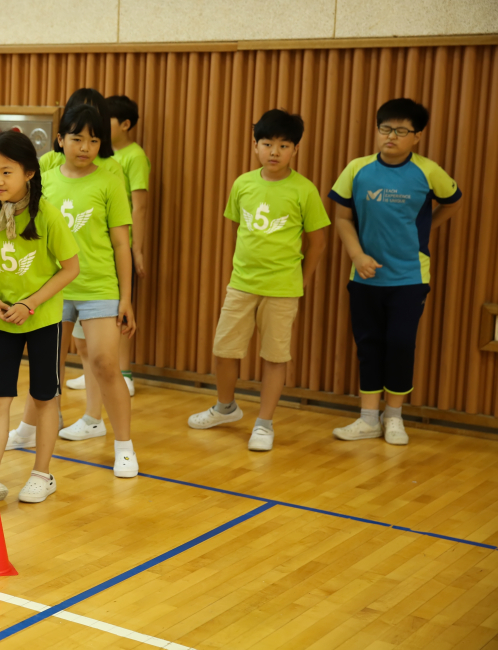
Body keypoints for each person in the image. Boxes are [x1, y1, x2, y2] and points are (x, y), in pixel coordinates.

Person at [187, 109, 330, 451]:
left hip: (282, 288)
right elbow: (238, 229)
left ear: (295, 149)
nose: (274, 151)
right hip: (242, 284)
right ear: (255, 146)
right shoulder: (243, 184)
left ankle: (264, 424)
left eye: (283, 145)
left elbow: (318, 242)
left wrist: (302, 281)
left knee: (275, 356)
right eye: (267, 143)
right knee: (224, 350)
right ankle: (225, 407)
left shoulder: (304, 190)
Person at [328, 98, 463, 445]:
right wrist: (357, 255)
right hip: (365, 277)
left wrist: (425, 229)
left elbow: (453, 201)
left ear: (417, 136)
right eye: (385, 128)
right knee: (369, 345)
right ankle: (368, 418)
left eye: (401, 131)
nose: (391, 136)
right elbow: (342, 218)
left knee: (401, 344)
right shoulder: (357, 169)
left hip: (409, 277)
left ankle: (394, 418)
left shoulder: (428, 171)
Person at [0, 130, 79, 506]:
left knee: (45, 397)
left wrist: (31, 303)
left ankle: (42, 474)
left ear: (28, 173)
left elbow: (69, 269)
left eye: (6, 172)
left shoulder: (48, 216)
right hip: (1, 319)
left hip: (41, 320)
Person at [39, 104, 139, 476]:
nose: (85, 146)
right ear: (61, 139)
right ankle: (31, 429)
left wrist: (126, 298)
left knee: (104, 362)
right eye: (77, 138)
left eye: (94, 140)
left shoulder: (110, 182)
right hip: (53, 287)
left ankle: (125, 447)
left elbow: (121, 245)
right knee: (47, 367)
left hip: (99, 287)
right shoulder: (45, 180)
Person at [68, 95, 152, 404]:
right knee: (82, 339)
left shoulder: (126, 161)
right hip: (72, 268)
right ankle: (93, 375)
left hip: (106, 254)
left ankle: (124, 373)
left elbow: (139, 207)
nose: (85, 144)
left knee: (118, 317)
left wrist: (136, 250)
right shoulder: (54, 168)